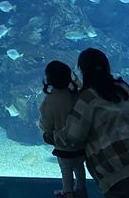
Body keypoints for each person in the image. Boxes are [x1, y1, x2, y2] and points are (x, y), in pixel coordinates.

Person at [54, 48, 129, 198]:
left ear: (82, 71)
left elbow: (73, 136)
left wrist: (51, 135)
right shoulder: (123, 87)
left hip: (117, 172)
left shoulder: (87, 98)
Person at [38, 60, 87, 198]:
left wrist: (45, 130)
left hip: (63, 146)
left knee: (66, 170)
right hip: (80, 144)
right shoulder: (76, 94)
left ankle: (67, 193)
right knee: (79, 167)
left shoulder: (49, 101)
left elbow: (46, 124)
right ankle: (82, 190)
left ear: (48, 80)